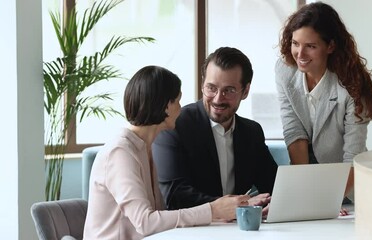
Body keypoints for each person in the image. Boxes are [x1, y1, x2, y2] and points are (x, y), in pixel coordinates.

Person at [83, 66, 250, 239]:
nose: (180, 108)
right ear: (165, 106)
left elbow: (160, 217)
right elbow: (145, 222)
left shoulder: (145, 147)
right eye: (177, 101)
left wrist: (217, 214)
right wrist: (212, 210)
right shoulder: (120, 152)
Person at [275, 2, 372, 211]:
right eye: (295, 43)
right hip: (305, 177)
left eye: (311, 46)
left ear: (330, 46)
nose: (300, 54)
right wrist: (306, 194)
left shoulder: (352, 86)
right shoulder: (284, 70)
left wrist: (327, 200)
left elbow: (353, 156)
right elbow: (293, 129)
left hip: (346, 184)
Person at [152, 47, 278, 214]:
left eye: (229, 90)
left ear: (245, 91)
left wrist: (274, 204)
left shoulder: (252, 132)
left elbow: (275, 188)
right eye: (211, 88)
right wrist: (238, 205)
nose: (218, 99)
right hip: (190, 231)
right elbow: (174, 196)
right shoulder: (175, 126)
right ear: (203, 83)